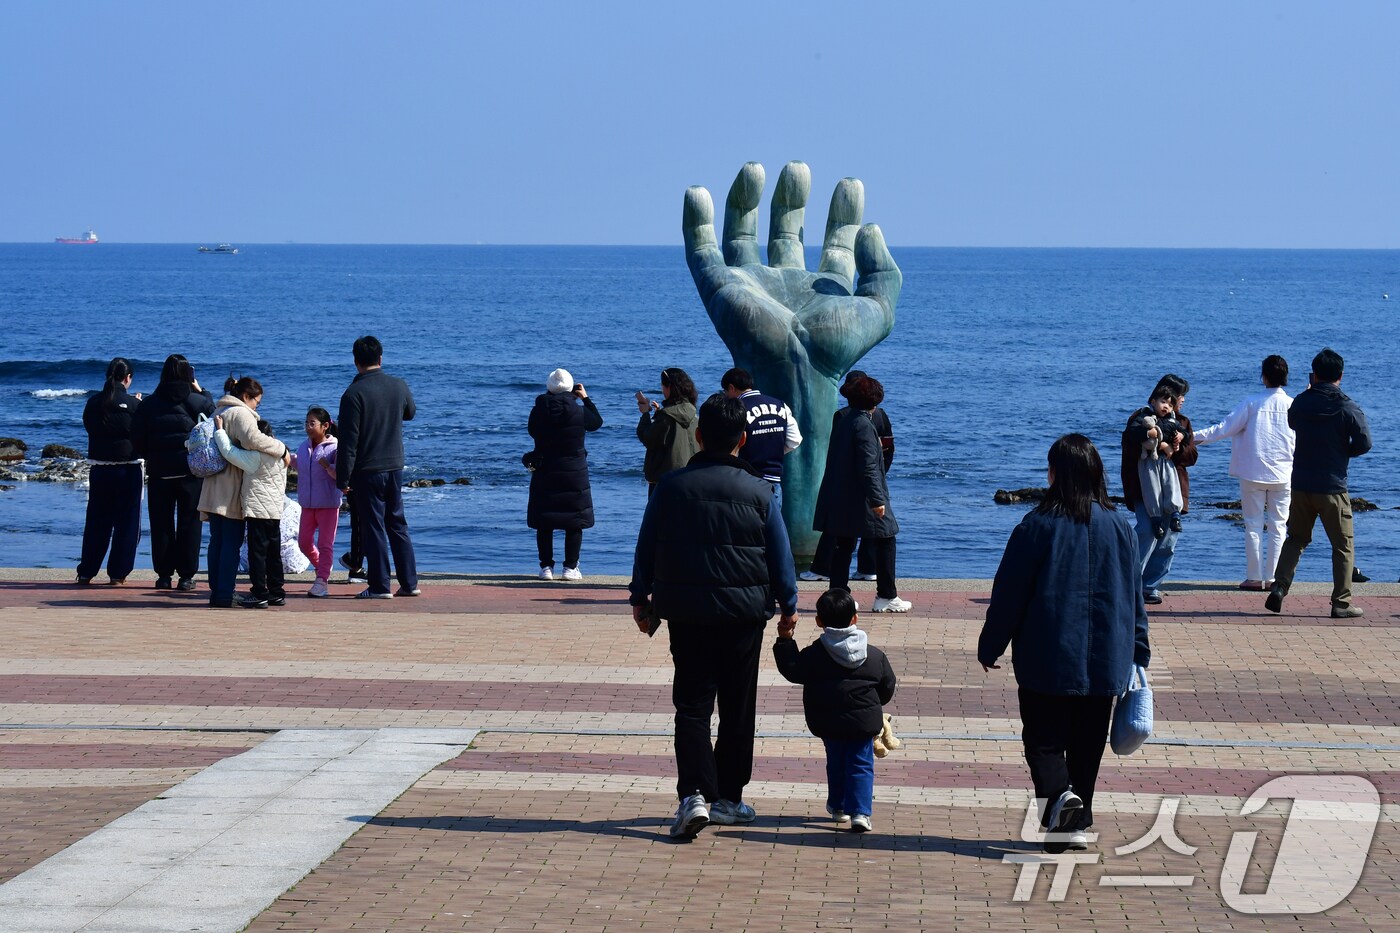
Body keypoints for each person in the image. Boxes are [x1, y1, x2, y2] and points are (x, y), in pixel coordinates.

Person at [628, 393, 799, 838]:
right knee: (738, 708)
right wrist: (789, 607)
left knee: (691, 706)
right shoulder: (760, 491)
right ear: (742, 440)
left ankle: (693, 796)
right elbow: (781, 557)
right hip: (744, 615)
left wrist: (640, 598)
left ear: (699, 436)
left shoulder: (671, 487)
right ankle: (728, 799)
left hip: (686, 614)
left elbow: (646, 545)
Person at [979, 434, 1151, 853]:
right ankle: (1071, 828)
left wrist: (992, 643)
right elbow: (1135, 594)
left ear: (1055, 473)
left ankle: (1059, 799)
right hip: (1108, 655)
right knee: (1087, 745)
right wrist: (1139, 647)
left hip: (1047, 652)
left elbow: (1010, 592)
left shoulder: (1037, 525)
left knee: (1043, 742)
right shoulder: (1119, 526)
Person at [773, 588, 897, 833]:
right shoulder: (874, 655)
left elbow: (793, 670)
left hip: (828, 721)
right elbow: (887, 685)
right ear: (855, 618)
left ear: (819, 621)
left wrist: (785, 639)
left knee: (837, 762)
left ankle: (839, 807)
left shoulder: (814, 654)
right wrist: (875, 706)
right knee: (861, 764)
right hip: (863, 722)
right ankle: (860, 813)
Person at [1265, 348, 1372, 619]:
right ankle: (1341, 602)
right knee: (1342, 546)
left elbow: (1292, 422)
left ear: (1313, 374)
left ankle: (1279, 587)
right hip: (1332, 486)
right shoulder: (1347, 406)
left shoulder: (1301, 401)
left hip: (1301, 483)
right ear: (1340, 376)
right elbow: (1364, 442)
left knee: (1296, 538)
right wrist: (1343, 452)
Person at [1192, 355, 1295, 589]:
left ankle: (1254, 577)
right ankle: (1273, 579)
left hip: (1252, 472)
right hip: (1284, 473)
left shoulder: (1251, 403)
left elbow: (1223, 429)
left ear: (1264, 376)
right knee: (1279, 527)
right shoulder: (1292, 404)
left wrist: (1192, 437)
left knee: (1253, 525)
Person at [812, 375, 909, 613]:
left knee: (844, 543)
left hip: (842, 494)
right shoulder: (864, 425)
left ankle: (839, 595)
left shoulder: (845, 419)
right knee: (886, 538)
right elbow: (868, 466)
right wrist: (877, 499)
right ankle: (886, 594)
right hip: (863, 496)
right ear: (874, 400)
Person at [335, 336, 420, 599]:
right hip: (394, 465)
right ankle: (409, 583)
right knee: (397, 523)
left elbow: (348, 442)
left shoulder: (353, 394)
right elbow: (410, 413)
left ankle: (380, 586)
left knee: (373, 527)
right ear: (380, 358)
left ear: (355, 361)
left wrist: (342, 478)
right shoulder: (398, 385)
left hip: (367, 469)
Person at [197, 377, 290, 609]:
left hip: (213, 484)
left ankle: (217, 592)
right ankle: (225, 593)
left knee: (217, 542)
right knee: (231, 542)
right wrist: (282, 449)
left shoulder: (219, 410)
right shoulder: (240, 413)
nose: (257, 406)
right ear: (246, 397)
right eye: (257, 401)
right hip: (231, 487)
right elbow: (252, 440)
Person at [131, 355, 215, 591]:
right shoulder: (198, 401)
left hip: (160, 472)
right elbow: (214, 421)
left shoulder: (149, 404)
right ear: (189, 374)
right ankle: (186, 576)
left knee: (161, 524)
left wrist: (151, 455)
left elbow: (136, 438)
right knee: (190, 524)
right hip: (191, 471)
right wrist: (202, 391)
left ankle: (164, 575)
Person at [804, 370, 895, 583]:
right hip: (874, 478)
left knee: (840, 533)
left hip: (849, 483)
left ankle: (823, 570)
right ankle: (867, 568)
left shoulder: (844, 417)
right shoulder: (880, 415)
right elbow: (888, 447)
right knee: (874, 530)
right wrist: (881, 473)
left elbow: (839, 452)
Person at [1121, 375, 1195, 604]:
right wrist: (1157, 443)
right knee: (1146, 530)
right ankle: (1128, 581)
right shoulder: (1141, 417)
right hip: (1145, 486)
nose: (1182, 400)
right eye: (1180, 395)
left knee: (1168, 539)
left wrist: (1176, 448)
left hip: (1173, 487)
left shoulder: (1182, 422)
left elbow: (1192, 455)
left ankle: (1150, 586)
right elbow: (1129, 447)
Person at [526, 368, 603, 581]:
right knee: (574, 519)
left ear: (549, 388)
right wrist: (585, 399)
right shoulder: (579, 412)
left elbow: (532, 431)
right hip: (574, 471)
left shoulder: (538, 411)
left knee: (545, 520)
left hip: (545, 469)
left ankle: (546, 568)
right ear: (571, 389)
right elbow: (596, 423)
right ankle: (570, 567)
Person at [76, 358, 144, 585]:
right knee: (127, 523)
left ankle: (87, 571)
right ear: (128, 378)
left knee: (97, 521)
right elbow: (141, 433)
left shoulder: (94, 402)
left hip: (99, 468)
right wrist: (136, 405)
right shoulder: (133, 405)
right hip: (128, 468)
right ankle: (118, 573)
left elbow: (89, 427)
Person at [213, 416, 289, 609]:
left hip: (257, 511)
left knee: (258, 554)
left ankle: (259, 593)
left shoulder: (256, 457)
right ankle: (276, 592)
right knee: (274, 553)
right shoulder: (281, 454)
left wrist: (220, 431)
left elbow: (229, 452)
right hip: (275, 511)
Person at [720, 367, 802, 509]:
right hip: (773, 482)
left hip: (746, 480)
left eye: (725, 391)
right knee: (773, 522)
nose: (726, 396)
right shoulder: (780, 405)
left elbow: (730, 445)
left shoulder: (738, 409)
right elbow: (795, 440)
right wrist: (773, 451)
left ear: (731, 388)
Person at [1124, 387, 1184, 541]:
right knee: (1152, 489)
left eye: (1170, 405)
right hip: (1148, 462)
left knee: (1171, 484)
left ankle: (1175, 515)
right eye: (1163, 402)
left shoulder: (1174, 420)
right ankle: (1156, 520)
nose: (1166, 407)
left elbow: (1188, 441)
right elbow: (1131, 435)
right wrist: (1150, 435)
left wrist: (1180, 437)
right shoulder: (1143, 415)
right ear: (1153, 401)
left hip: (1166, 462)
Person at [296, 407, 341, 598]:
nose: (308, 427)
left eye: (312, 423)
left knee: (325, 544)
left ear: (325, 426)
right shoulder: (303, 447)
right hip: (307, 504)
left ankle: (322, 581)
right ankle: (322, 567)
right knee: (303, 542)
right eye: (306, 423)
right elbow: (299, 466)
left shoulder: (335, 447)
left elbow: (340, 475)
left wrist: (328, 466)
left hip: (328, 504)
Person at [635, 367, 699, 494]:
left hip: (665, 481)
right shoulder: (693, 413)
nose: (662, 389)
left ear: (669, 387)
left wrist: (645, 414)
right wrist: (660, 413)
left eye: (663, 386)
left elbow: (647, 437)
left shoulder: (666, 417)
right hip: (690, 478)